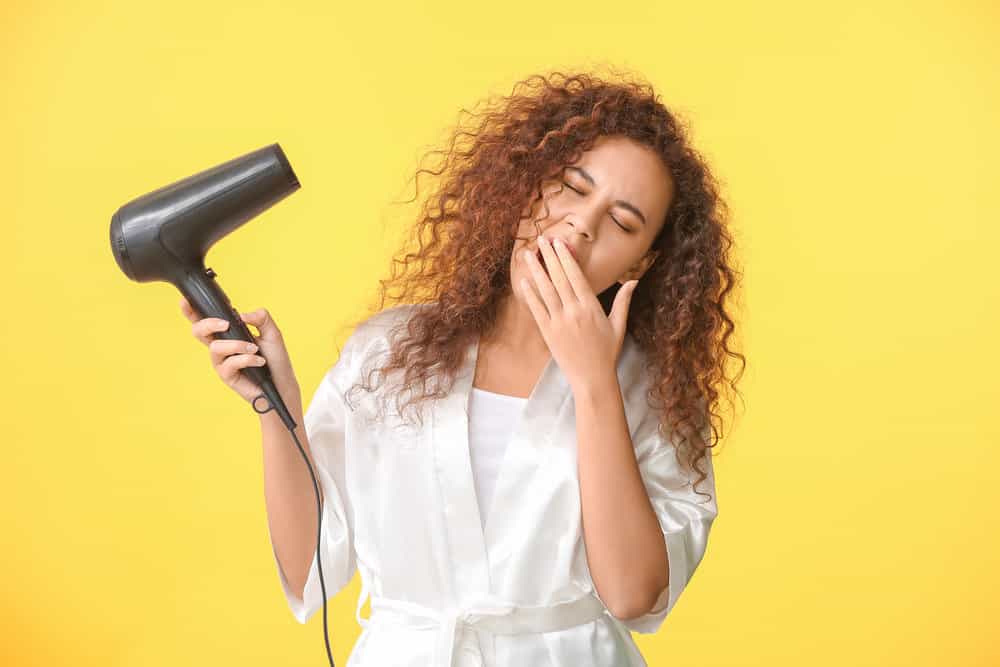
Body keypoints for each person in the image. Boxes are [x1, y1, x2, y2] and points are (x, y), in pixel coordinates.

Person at [181, 69, 744, 667]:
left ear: (642, 262)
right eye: (573, 187)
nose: (584, 222)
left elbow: (635, 597)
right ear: (528, 184)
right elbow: (310, 567)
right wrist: (278, 407)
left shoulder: (654, 391)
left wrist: (593, 383)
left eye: (624, 222)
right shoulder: (388, 350)